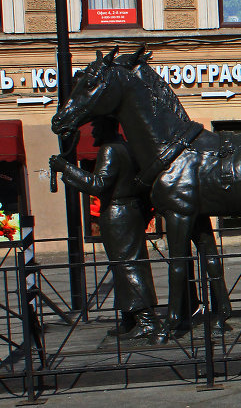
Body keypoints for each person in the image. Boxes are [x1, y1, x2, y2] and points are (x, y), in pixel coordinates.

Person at [50, 117, 159, 339]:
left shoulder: (109, 150)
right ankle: (130, 318)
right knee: (125, 266)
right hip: (128, 212)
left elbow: (99, 185)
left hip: (119, 214)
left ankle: (146, 320)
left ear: (105, 127)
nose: (93, 131)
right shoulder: (126, 147)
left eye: (95, 127)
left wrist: (66, 168)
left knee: (127, 266)